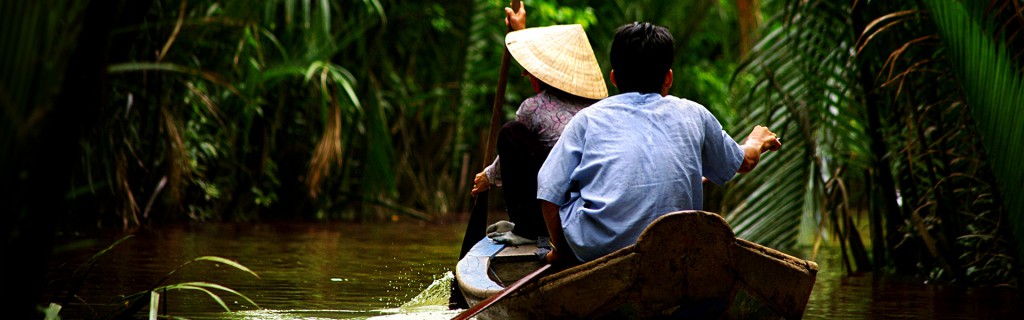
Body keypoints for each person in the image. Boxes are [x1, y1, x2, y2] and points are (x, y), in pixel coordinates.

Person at [537, 22, 782, 265]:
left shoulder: (587, 119)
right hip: (674, 247)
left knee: (569, 186)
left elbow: (548, 190)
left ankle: (564, 251)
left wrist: (562, 251)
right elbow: (745, 161)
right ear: (668, 78)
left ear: (613, 78)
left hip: (597, 251)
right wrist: (756, 140)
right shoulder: (694, 113)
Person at [470, 3, 608, 245]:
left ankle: (525, 230)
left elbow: (510, 156)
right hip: (596, 205)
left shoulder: (533, 107)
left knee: (510, 134)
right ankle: (529, 226)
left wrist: (487, 178)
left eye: (530, 72)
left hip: (557, 207)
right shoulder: (599, 106)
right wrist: (519, 30)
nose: (526, 74)